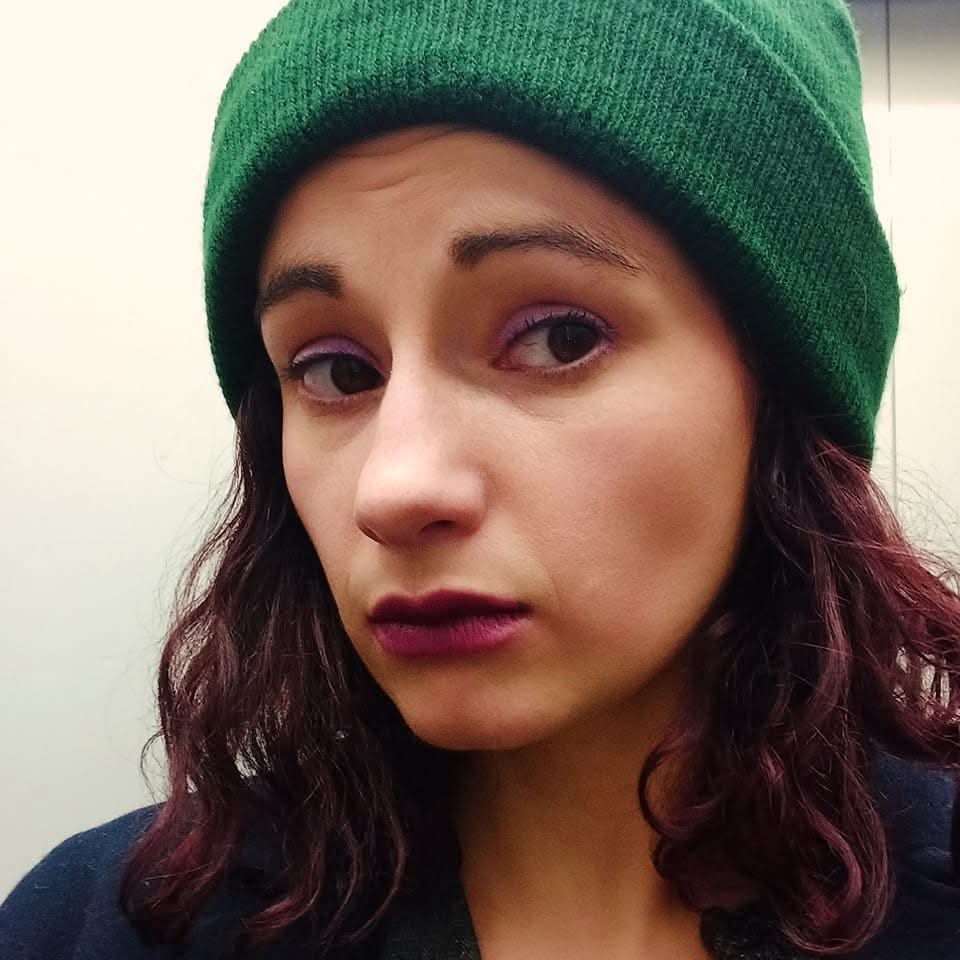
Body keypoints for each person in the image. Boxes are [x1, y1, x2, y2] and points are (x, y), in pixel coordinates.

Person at [2, 0, 960, 957]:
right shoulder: (103, 926)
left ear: (785, 393)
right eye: (337, 370)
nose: (395, 489)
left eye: (559, 338)